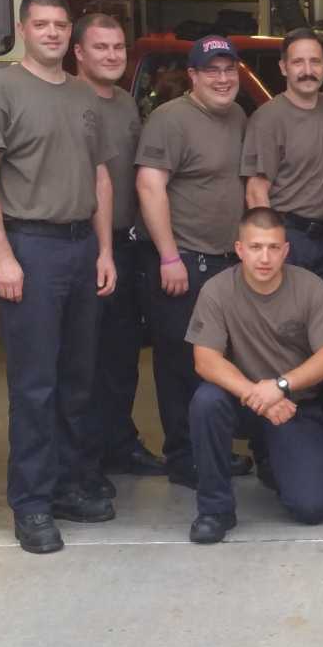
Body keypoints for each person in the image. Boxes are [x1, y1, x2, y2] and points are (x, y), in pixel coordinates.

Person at [0, 0, 116, 553]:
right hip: (31, 247)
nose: (52, 32)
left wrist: (104, 250)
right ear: (23, 29)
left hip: (81, 246)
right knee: (34, 384)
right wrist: (2, 256)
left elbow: (99, 177)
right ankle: (30, 503)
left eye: (60, 25)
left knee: (78, 379)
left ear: (69, 34)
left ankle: (69, 486)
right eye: (42, 24)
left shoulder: (83, 94)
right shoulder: (0, 91)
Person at [186, 207, 323, 543]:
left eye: (273, 247)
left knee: (313, 507)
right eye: (256, 247)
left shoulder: (311, 287)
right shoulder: (217, 289)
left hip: (293, 406)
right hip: (241, 401)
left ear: (286, 250)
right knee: (206, 401)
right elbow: (205, 360)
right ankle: (214, 509)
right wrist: (258, 394)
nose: (265, 257)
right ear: (240, 249)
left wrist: (281, 387)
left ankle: (273, 460)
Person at [135, 35, 247, 488]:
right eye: (212, 71)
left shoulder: (237, 116)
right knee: (181, 364)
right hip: (184, 262)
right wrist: (168, 256)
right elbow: (149, 186)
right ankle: (184, 457)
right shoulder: (170, 119)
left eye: (229, 70)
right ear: (193, 76)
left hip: (225, 263)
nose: (222, 79)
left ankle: (212, 451)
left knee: (217, 361)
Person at [72, 12, 165, 484]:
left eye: (117, 48)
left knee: (122, 354)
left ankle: (120, 443)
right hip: (88, 247)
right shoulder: (69, 100)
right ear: (78, 53)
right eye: (101, 47)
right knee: (84, 360)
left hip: (127, 245)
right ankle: (86, 461)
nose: (112, 56)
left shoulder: (127, 102)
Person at [241, 27, 323, 319]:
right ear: (284, 67)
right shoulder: (268, 119)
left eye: (315, 62)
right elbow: (256, 191)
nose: (307, 71)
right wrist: (271, 248)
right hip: (289, 236)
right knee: (288, 323)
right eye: (298, 62)